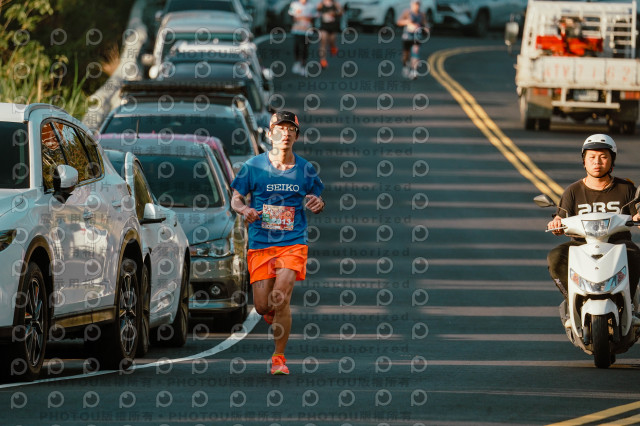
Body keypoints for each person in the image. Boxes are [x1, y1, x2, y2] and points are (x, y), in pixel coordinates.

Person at [230, 111, 325, 375]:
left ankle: (278, 358)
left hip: (293, 242)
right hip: (261, 243)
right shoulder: (253, 166)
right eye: (280, 129)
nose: (286, 134)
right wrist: (244, 209)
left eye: (291, 129)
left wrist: (318, 203)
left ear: (296, 135)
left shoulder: (305, 169)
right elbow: (236, 197)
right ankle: (271, 313)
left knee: (280, 297)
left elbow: (317, 197)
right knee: (263, 305)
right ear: (270, 134)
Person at [546, 134, 640, 325]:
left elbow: (636, 211)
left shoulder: (626, 188)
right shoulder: (573, 191)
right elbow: (560, 217)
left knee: (634, 254)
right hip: (581, 246)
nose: (597, 162)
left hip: (617, 245)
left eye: (603, 157)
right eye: (592, 157)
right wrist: (556, 224)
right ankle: (573, 298)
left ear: (612, 160)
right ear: (584, 161)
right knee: (555, 257)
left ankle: (629, 302)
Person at [396, 0, 428, 79]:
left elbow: (425, 24)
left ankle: (414, 71)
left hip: (417, 37)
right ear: (411, 5)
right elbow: (399, 22)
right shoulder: (407, 13)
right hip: (407, 36)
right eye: (415, 4)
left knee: (415, 53)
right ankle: (405, 66)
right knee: (406, 55)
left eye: (418, 5)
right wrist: (407, 22)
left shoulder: (422, 15)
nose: (416, 6)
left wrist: (426, 28)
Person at [289, 0, 316, 76]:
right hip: (297, 30)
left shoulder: (311, 6)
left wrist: (302, 18)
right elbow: (293, 17)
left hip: (307, 31)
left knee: (305, 48)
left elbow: (312, 18)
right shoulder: (294, 5)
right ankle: (297, 62)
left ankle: (303, 65)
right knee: (297, 46)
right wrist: (303, 18)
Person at [316, 0, 342, 69]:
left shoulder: (335, 4)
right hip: (324, 26)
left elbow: (341, 12)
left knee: (332, 40)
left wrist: (334, 13)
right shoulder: (321, 4)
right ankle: (323, 60)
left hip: (333, 26)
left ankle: (333, 47)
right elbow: (315, 11)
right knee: (323, 42)